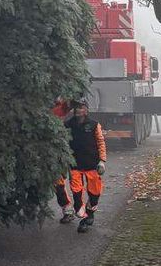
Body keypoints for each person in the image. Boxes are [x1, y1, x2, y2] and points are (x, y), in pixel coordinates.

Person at [64, 99, 106, 233]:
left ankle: (90, 213)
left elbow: (100, 143)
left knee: (95, 194)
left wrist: (102, 161)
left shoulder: (94, 125)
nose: (78, 110)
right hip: (75, 165)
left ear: (86, 110)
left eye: (81, 107)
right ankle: (83, 217)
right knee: (76, 192)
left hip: (92, 165)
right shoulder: (68, 125)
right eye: (76, 108)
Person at [49, 98, 76, 223]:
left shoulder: (61, 108)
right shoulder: (41, 107)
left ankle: (68, 210)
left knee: (58, 182)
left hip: (57, 150)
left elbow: (69, 104)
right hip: (46, 149)